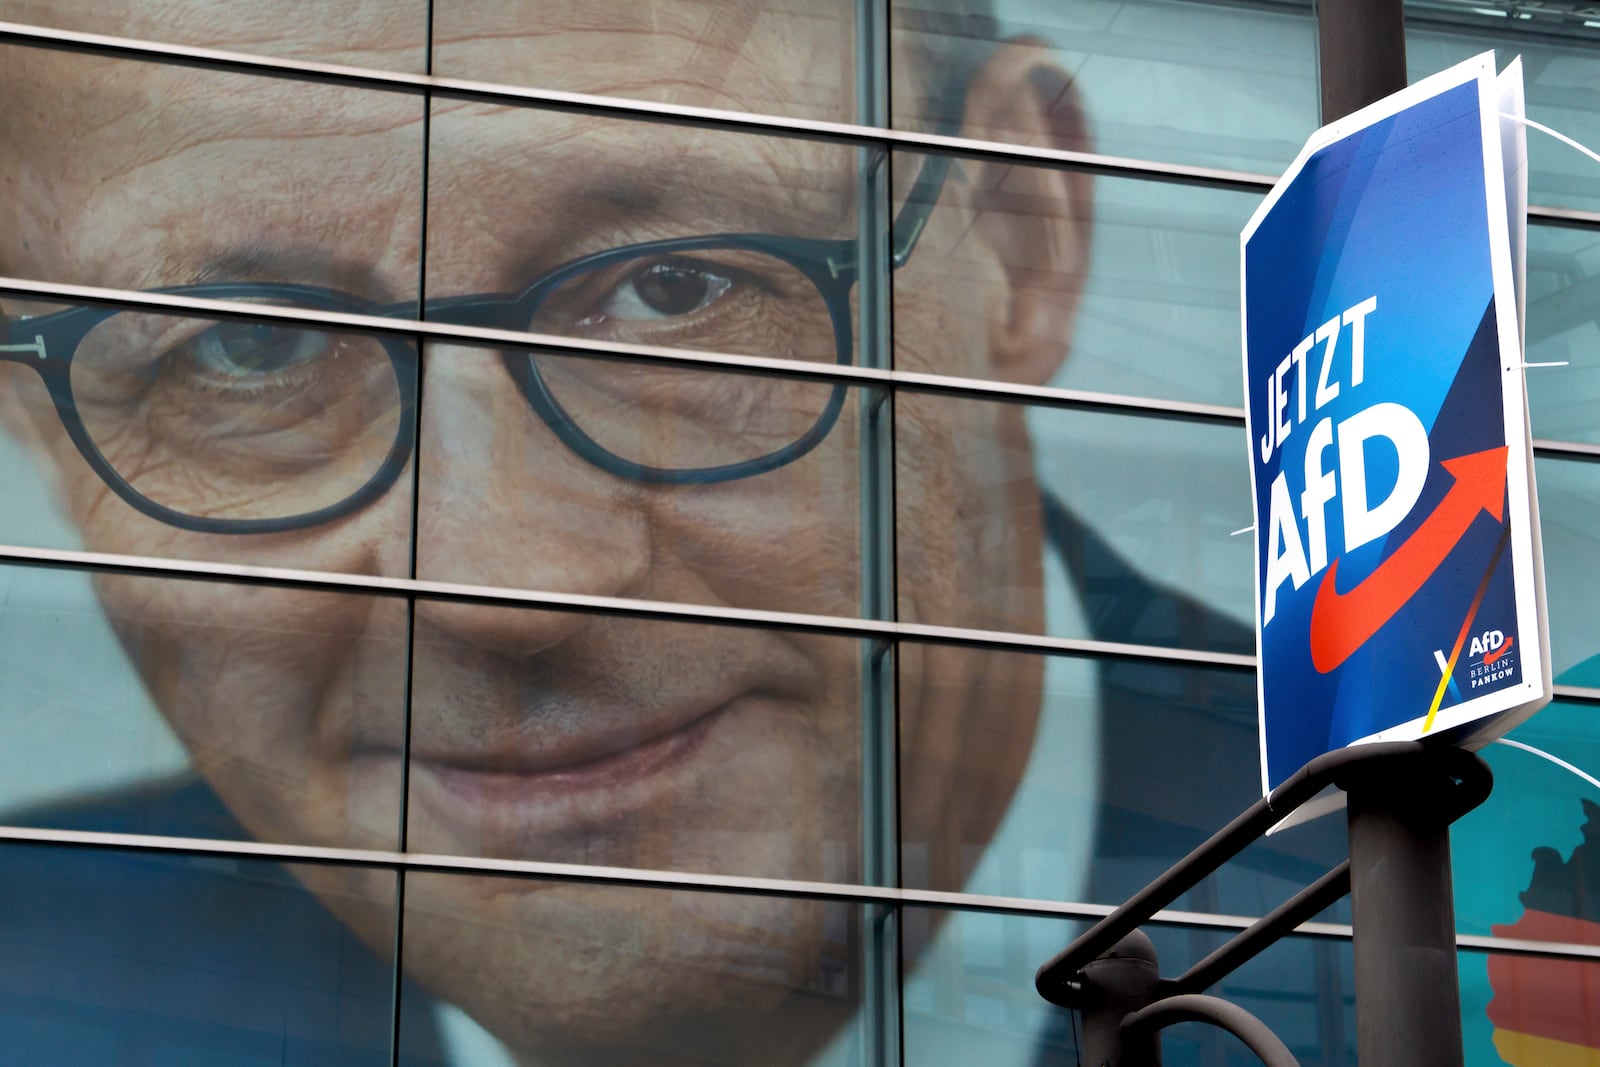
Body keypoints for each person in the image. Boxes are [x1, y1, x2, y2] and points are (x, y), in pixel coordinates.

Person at [0, 2, 1332, 1064]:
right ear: (35, 421)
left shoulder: (1473, 930)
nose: (503, 585)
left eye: (672, 286)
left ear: (1016, 243)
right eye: (252, 350)